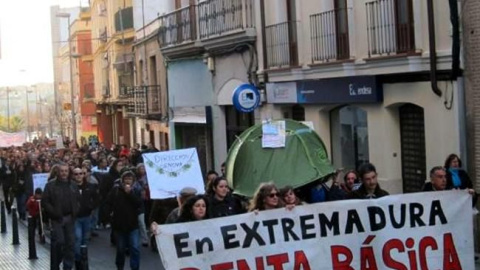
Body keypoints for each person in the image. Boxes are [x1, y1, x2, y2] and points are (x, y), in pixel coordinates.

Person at [42, 163, 80, 270]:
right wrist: (53, 212)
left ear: (69, 172)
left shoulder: (73, 185)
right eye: (62, 171)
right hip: (57, 218)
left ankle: (67, 266)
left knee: (71, 243)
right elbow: (45, 201)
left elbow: (78, 199)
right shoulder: (50, 185)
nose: (64, 173)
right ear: (58, 172)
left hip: (70, 218)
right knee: (59, 242)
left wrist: (76, 210)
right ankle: (55, 264)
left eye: (66, 171)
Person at [105, 170, 142, 270]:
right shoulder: (116, 190)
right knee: (120, 249)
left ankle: (135, 267)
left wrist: (129, 193)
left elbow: (139, 204)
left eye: (130, 179)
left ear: (133, 180)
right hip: (119, 225)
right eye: (126, 179)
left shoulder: (136, 190)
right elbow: (108, 202)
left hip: (133, 225)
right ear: (122, 180)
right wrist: (108, 216)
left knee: (135, 248)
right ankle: (120, 266)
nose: (128, 181)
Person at [72, 167, 99, 269]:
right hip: (75, 218)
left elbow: (97, 198)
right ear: (73, 176)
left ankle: (83, 259)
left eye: (81, 173)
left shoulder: (90, 186)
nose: (79, 176)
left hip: (87, 216)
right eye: (76, 174)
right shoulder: (71, 187)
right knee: (77, 237)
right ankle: (78, 259)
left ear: (84, 175)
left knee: (85, 239)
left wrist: (91, 207)